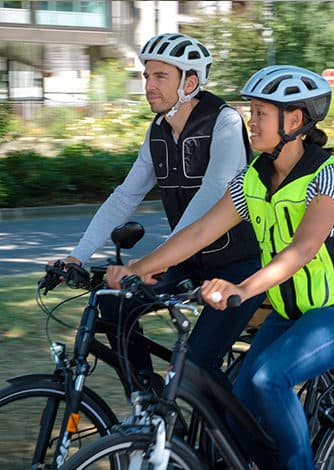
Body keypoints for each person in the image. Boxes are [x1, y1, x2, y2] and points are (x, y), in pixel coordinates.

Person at [106, 65, 334, 470]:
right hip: (291, 314)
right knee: (239, 407)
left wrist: (242, 289)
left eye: (259, 115)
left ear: (295, 121)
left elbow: (302, 250)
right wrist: (140, 267)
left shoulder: (328, 178)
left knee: (269, 378)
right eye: (250, 113)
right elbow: (200, 232)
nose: (249, 123)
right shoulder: (255, 177)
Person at [54, 33, 263, 389]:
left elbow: (214, 190)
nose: (148, 85)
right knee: (114, 304)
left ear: (190, 82)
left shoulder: (224, 122)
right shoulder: (157, 133)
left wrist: (161, 259)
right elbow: (124, 197)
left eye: (160, 76)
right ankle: (147, 404)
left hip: (238, 265)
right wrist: (76, 257)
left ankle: (231, 437)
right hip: (186, 262)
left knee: (198, 364)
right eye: (146, 76)